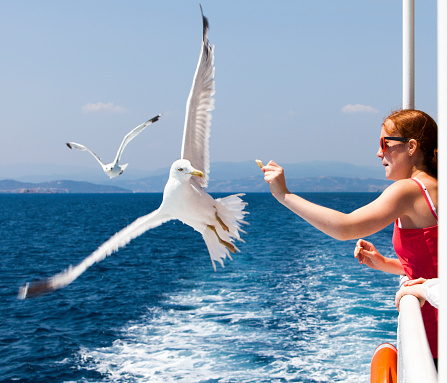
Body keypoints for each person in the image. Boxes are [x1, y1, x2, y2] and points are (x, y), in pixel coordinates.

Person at [261, 109, 438, 360]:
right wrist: (385, 263)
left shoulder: (408, 191)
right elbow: (434, 262)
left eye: (384, 143)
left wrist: (284, 195)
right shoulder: (435, 187)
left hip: (434, 340)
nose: (379, 153)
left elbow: (344, 227)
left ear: (411, 147)